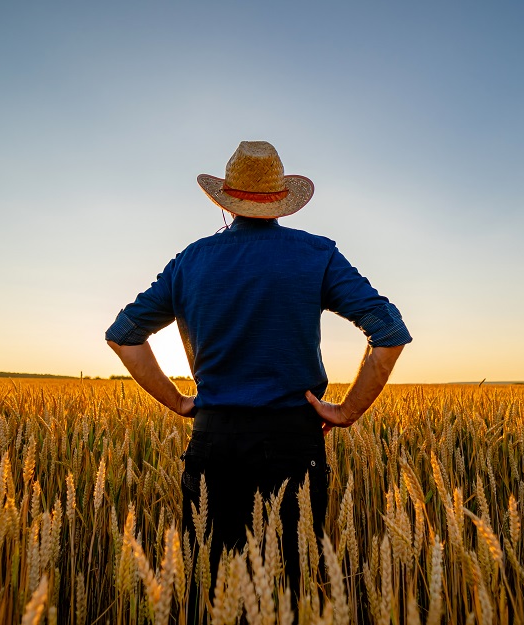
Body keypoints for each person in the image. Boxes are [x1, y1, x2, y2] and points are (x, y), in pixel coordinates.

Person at [105, 140, 411, 599]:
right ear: (281, 203)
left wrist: (179, 401)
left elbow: (124, 335)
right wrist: (347, 412)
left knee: (208, 587)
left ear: (227, 203)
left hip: (214, 440)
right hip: (293, 442)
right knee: (290, 585)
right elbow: (387, 331)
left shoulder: (191, 260)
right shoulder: (317, 254)